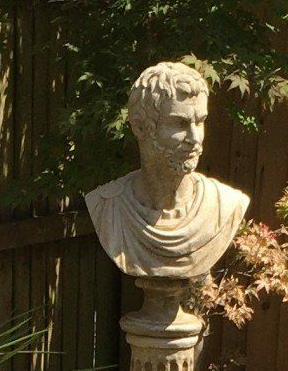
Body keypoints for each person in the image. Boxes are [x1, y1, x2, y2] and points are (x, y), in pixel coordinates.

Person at [83, 61, 249, 285]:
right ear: (140, 127)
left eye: (200, 121)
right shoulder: (107, 205)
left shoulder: (225, 204)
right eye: (179, 123)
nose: (195, 138)